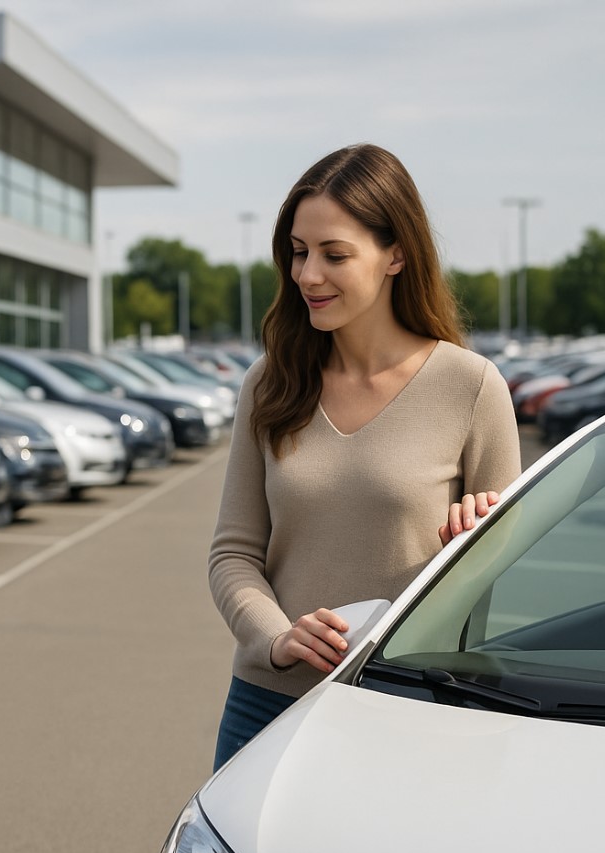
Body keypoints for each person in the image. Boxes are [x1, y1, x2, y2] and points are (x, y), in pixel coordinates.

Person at [208, 143, 521, 770]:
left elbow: (499, 576)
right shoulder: (269, 383)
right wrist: (277, 638)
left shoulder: (471, 386)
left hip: (414, 707)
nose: (306, 275)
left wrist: (481, 540)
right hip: (268, 705)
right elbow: (233, 554)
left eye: (334, 254)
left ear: (396, 255)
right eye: (298, 253)